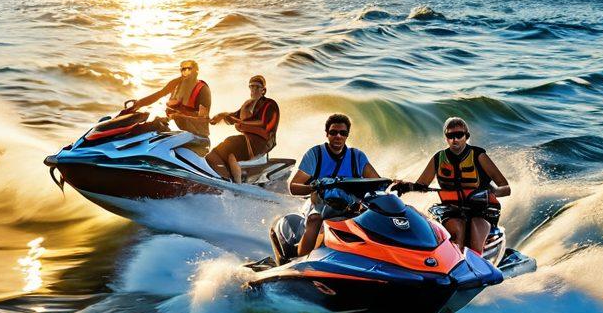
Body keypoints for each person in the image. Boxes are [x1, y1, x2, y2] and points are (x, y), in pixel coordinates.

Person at [392, 116, 511, 254]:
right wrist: (405, 186)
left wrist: (492, 193)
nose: (455, 139)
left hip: (481, 210)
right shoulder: (438, 158)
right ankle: (453, 265)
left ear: (466, 136)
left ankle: (477, 264)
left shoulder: (479, 155)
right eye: (450, 135)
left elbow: (506, 188)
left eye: (459, 135)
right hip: (452, 209)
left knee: (475, 239)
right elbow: (421, 185)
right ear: (446, 138)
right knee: (456, 233)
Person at [289, 113, 380, 256]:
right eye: (333, 132)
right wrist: (315, 187)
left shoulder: (357, 156)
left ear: (347, 135)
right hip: (319, 203)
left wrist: (397, 184)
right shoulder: (315, 154)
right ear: (327, 134)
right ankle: (300, 261)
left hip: (349, 204)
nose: (338, 136)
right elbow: (294, 186)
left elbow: (377, 183)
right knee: (314, 219)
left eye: (343, 133)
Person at [207, 74, 280, 183]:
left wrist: (240, 123)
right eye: (251, 86)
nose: (254, 90)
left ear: (263, 90)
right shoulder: (248, 104)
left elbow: (264, 124)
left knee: (230, 144)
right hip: (247, 141)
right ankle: (222, 178)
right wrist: (221, 116)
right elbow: (235, 116)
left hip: (262, 143)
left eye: (257, 87)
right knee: (219, 152)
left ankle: (236, 184)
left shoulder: (270, 104)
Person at [134, 59, 211, 142]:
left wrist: (180, 116)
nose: (186, 72)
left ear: (196, 71)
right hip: (179, 131)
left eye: (189, 69)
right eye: (183, 69)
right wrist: (139, 103)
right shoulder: (176, 84)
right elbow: (158, 95)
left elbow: (203, 119)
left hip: (198, 136)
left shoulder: (203, 90)